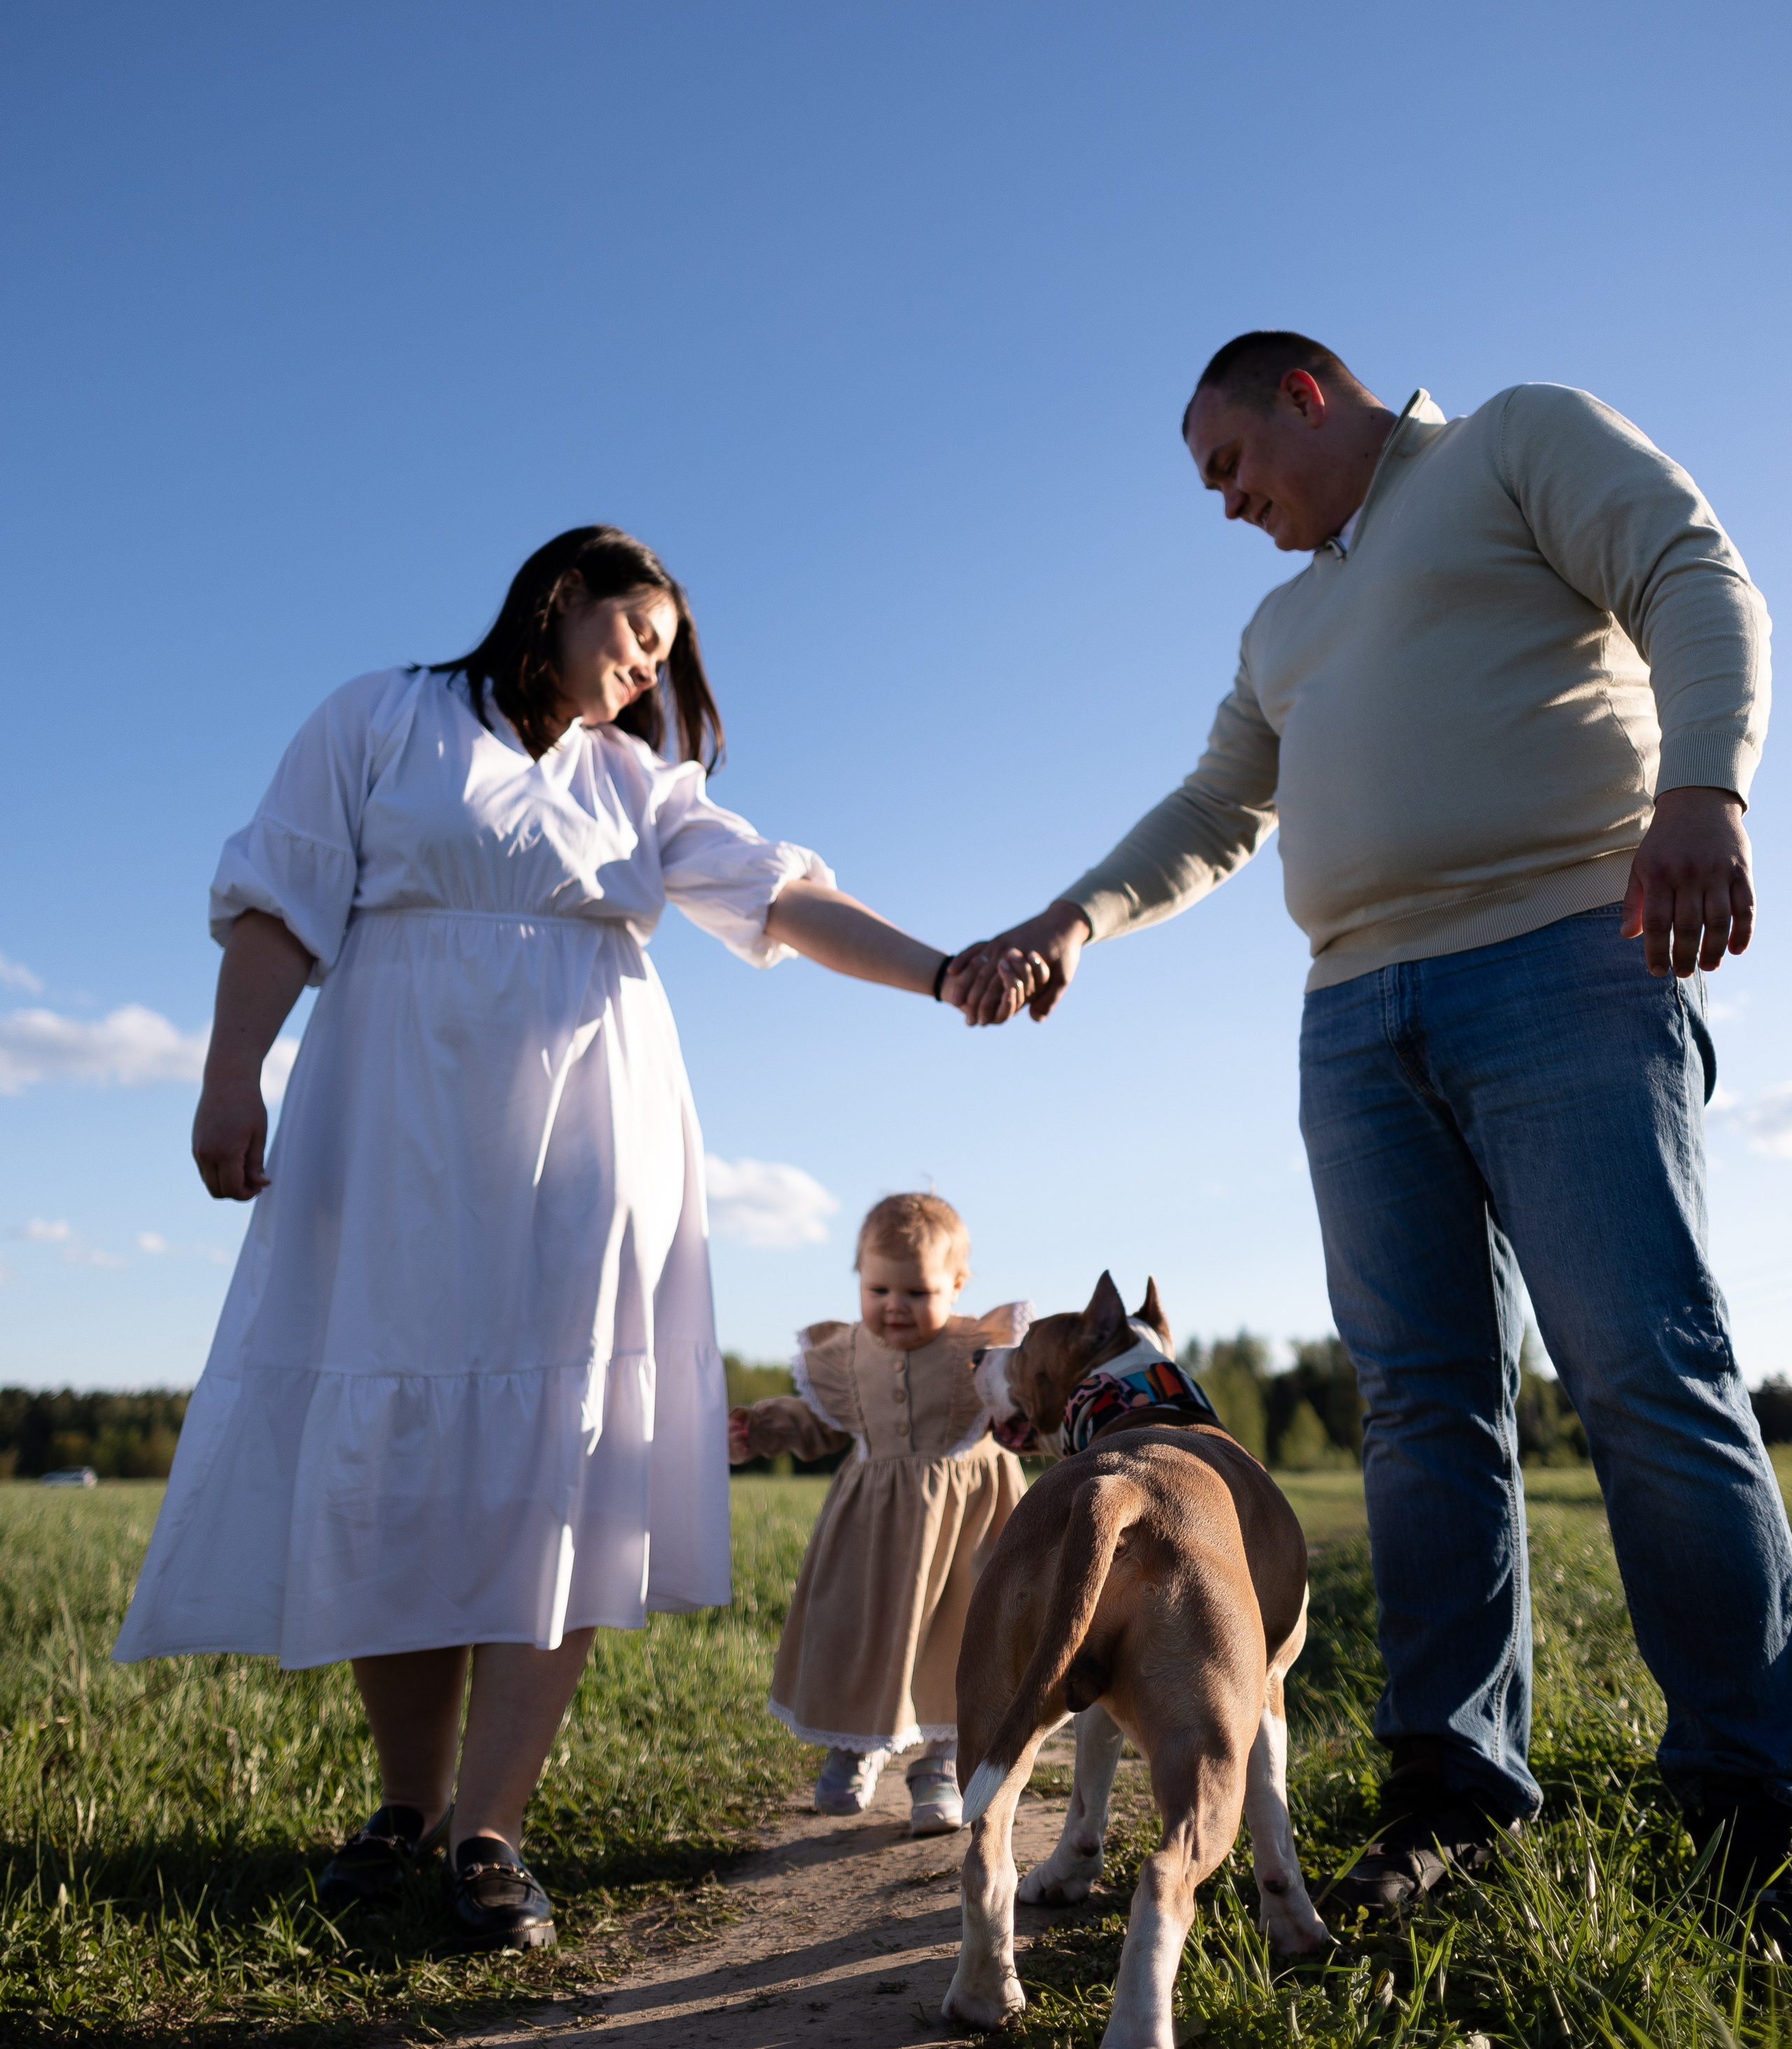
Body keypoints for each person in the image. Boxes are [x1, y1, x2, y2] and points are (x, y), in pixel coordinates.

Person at [948, 333, 1792, 1923]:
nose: (1222, 502)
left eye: (1227, 463)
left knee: (1639, 1368)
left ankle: (1751, 1795)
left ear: (1305, 397)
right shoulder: (1282, 620)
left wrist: (1703, 789)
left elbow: (1693, 573)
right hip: (1354, 1016)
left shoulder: (1511, 444)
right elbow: (1213, 808)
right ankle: (1451, 1790)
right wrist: (1069, 920)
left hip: (1562, 954)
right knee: (1417, 1409)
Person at [115, 527, 1035, 1950]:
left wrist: (939, 972)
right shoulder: (377, 717)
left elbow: (781, 899)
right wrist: (231, 1069)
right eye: (636, 634)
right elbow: (279, 896)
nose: (648, 666)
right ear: (560, 604)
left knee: (560, 1461)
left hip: (587, 1147)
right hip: (393, 1120)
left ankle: (492, 1829)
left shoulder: (640, 783)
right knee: (398, 1455)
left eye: (664, 654)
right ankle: (403, 1808)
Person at [727, 1191, 1028, 1835]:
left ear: (956, 1284)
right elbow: (819, 1422)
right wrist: (763, 1428)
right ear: (860, 1279)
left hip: (968, 1530)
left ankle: (942, 1763)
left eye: (917, 1293)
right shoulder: (846, 1355)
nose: (895, 1307)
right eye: (879, 1289)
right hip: (871, 1530)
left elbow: (1026, 1404)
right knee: (860, 1632)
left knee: (960, 1639)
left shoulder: (982, 1349)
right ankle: (856, 1744)